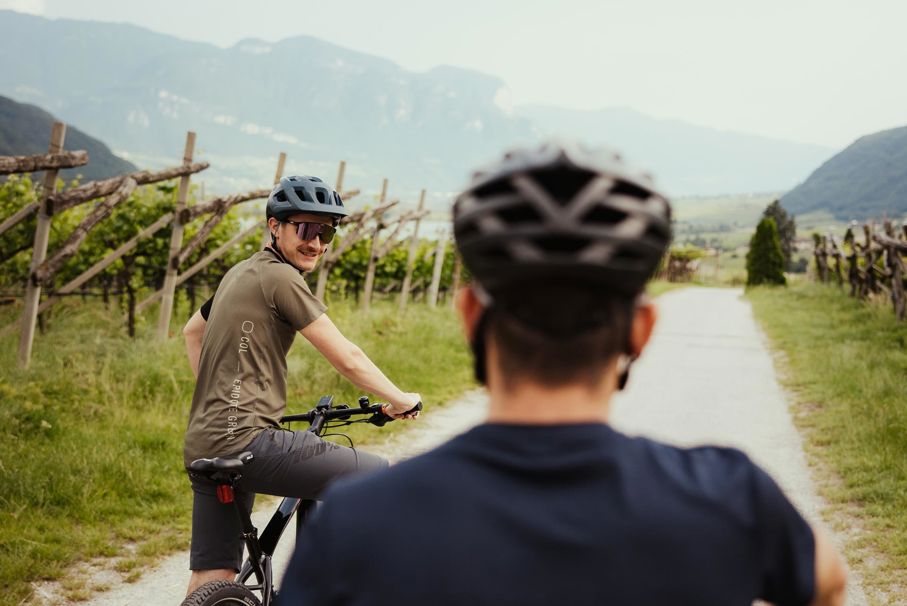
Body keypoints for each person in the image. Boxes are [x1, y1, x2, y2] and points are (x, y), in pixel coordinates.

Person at [277, 143, 847, 605]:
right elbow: (829, 583)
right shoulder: (731, 497)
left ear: (472, 318)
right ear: (642, 330)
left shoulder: (358, 523)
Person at [181, 175, 421, 597]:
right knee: (384, 479)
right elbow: (346, 355)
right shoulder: (281, 278)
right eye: (306, 229)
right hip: (249, 440)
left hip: (205, 442)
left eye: (326, 232)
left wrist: (218, 396)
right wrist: (400, 400)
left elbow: (190, 332)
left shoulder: (238, 273)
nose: (317, 243)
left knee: (213, 576)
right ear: (275, 226)